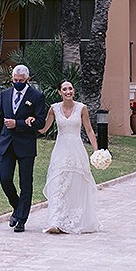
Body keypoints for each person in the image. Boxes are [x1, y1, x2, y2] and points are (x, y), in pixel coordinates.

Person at [37, 80, 101, 234]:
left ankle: (74, 220)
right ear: (59, 92)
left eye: (70, 89)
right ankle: (55, 221)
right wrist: (29, 121)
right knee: (59, 184)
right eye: (64, 89)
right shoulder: (54, 109)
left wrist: (97, 151)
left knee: (75, 185)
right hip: (60, 151)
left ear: (73, 91)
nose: (68, 92)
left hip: (76, 151)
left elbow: (90, 131)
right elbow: (44, 129)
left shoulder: (81, 108)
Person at [0, 64, 48, 232]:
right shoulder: (5, 95)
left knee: (25, 183)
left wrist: (19, 124)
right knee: (4, 178)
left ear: (27, 79)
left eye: (21, 81)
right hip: (6, 144)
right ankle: (17, 207)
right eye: (15, 80)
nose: (17, 83)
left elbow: (40, 123)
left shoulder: (36, 96)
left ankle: (22, 219)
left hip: (25, 146)